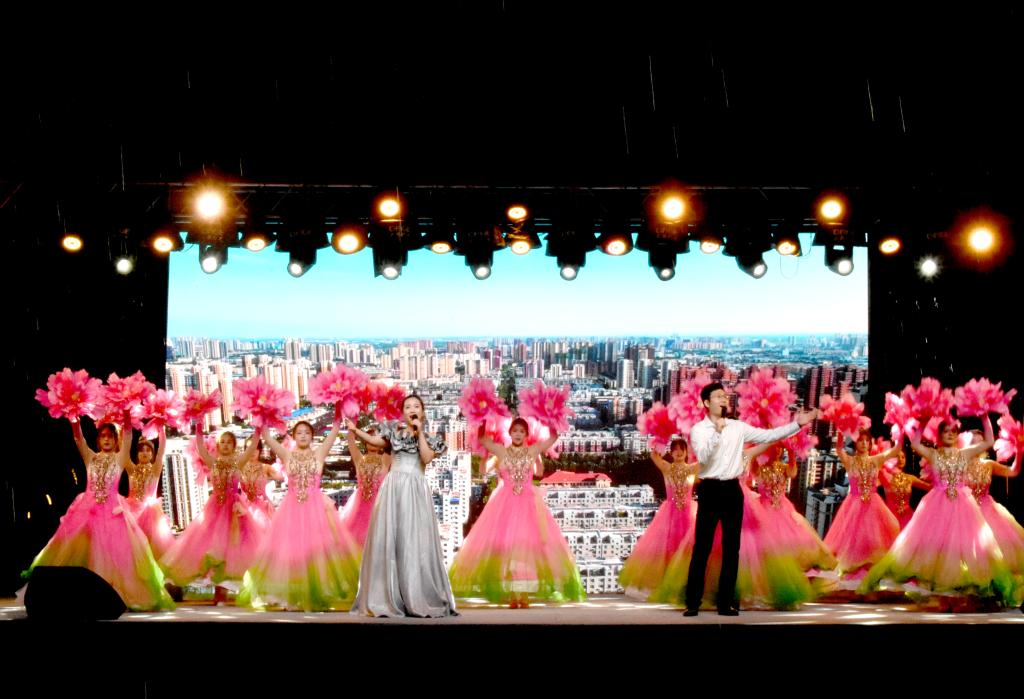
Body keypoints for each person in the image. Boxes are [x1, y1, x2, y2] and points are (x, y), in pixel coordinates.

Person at [683, 382, 817, 616]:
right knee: (702, 548)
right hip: (710, 490)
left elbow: (769, 435)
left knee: (731, 550)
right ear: (706, 402)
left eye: (724, 396)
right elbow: (703, 457)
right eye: (718, 396)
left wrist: (798, 424)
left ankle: (725, 603)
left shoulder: (738, 427)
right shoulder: (699, 430)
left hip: (732, 491)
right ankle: (693, 603)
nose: (724, 399)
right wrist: (717, 432)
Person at [26, 415, 173, 611]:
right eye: (103, 436)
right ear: (98, 439)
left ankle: (113, 596)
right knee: (83, 553)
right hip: (87, 511)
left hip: (112, 513)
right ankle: (83, 596)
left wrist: (126, 413)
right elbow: (79, 439)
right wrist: (74, 418)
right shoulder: (91, 458)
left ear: (115, 439)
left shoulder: (120, 459)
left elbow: (128, 436)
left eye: (110, 436)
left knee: (115, 557)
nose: (106, 439)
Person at [450, 418, 584, 607]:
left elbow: (553, 438)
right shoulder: (501, 451)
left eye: (522, 431)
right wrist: (483, 419)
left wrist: (550, 418)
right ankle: (514, 594)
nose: (518, 434)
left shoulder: (533, 450)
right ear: (510, 433)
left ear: (527, 434)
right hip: (506, 504)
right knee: (510, 550)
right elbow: (483, 440)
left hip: (528, 503)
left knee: (527, 549)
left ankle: (525, 595)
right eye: (515, 431)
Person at [238, 410, 361, 611]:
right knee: (293, 553)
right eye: (299, 432)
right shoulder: (286, 454)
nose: (303, 435)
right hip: (291, 509)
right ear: (293, 436)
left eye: (307, 432)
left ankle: (316, 595)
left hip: (315, 509)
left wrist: (339, 408)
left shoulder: (319, 453)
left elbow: (335, 429)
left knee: (315, 552)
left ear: (312, 436)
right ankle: (293, 597)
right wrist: (263, 412)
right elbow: (267, 437)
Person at [349, 394, 457, 617]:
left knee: (412, 540)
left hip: (415, 490)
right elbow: (376, 442)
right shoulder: (393, 433)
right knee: (390, 539)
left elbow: (426, 458)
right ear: (402, 412)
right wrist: (355, 430)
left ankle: (416, 595)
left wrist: (420, 432)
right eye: (407, 407)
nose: (412, 409)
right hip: (393, 488)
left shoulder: (430, 438)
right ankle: (389, 596)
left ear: (423, 412)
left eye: (416, 406)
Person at [618, 439, 698, 600]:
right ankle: (666, 584)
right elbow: (654, 455)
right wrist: (660, 437)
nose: (678, 452)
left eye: (681, 449)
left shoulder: (692, 469)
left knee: (689, 550)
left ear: (687, 452)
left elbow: (709, 458)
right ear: (671, 452)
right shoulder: (666, 468)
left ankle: (686, 585)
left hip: (688, 514)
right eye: (675, 449)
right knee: (668, 549)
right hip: (670, 515)